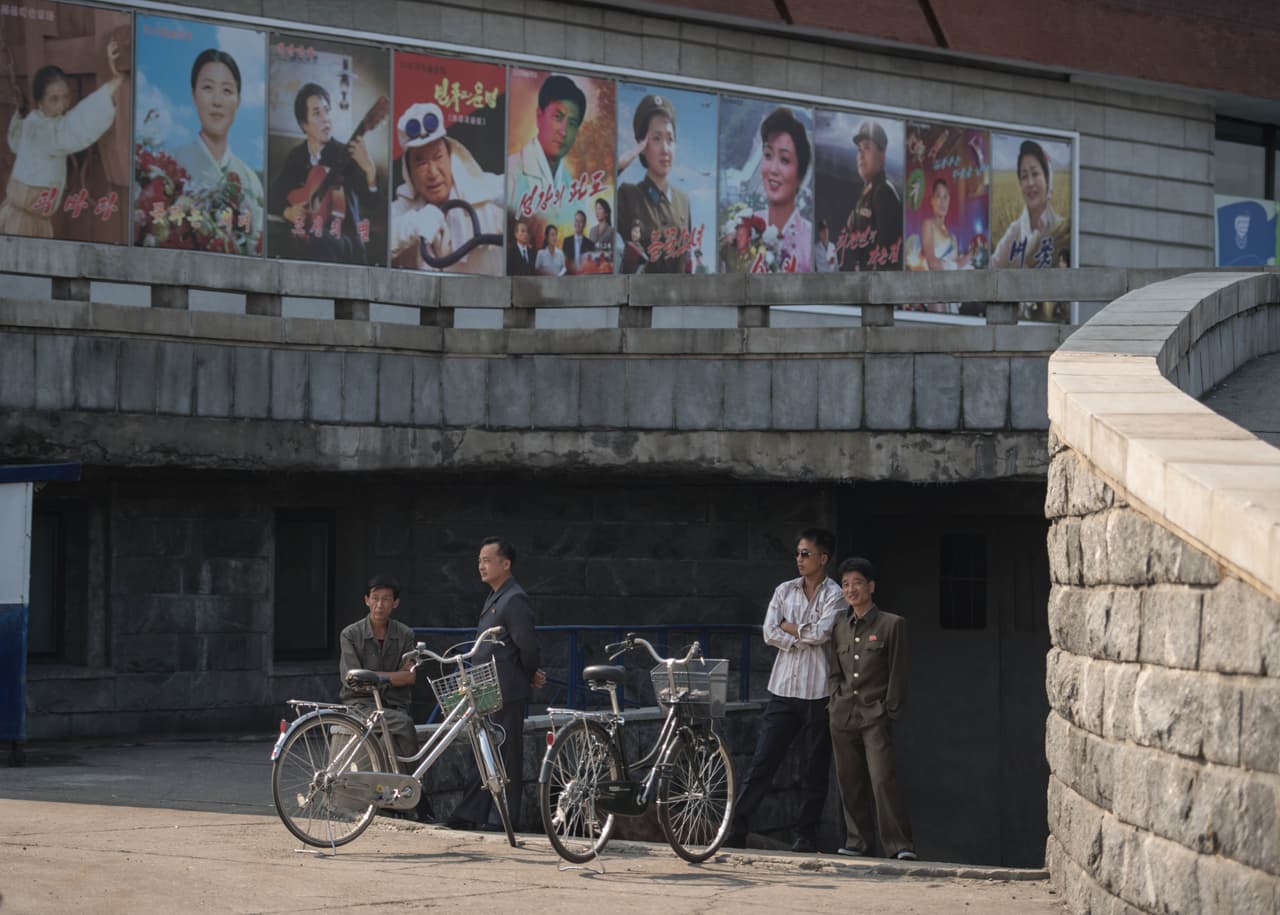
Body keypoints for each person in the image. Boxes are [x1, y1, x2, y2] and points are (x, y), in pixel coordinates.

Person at [727, 529, 844, 853]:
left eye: (806, 554)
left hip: (818, 691)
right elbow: (769, 631)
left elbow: (823, 634)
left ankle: (805, 835)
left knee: (814, 767)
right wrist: (795, 635)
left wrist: (789, 628)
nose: (799, 559)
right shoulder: (784, 590)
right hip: (783, 688)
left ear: (823, 558)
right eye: (797, 553)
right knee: (763, 761)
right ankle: (736, 828)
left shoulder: (834, 594)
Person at [447, 537, 544, 832]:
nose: (481, 565)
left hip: (506, 688)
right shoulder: (495, 596)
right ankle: (471, 813)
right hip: (486, 688)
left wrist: (530, 673)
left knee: (504, 756)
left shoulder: (514, 598)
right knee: (483, 751)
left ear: (506, 563)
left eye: (487, 560)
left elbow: (527, 646)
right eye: (479, 560)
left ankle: (501, 819)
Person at [827, 557, 916, 861]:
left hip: (875, 714)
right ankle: (857, 842)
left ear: (871, 587)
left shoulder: (892, 624)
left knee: (881, 779)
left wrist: (889, 709)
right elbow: (834, 671)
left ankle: (899, 845)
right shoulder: (839, 626)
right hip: (842, 714)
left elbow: (898, 672)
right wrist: (833, 702)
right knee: (849, 780)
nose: (851, 589)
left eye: (858, 583)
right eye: (846, 584)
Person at [0, 41, 125, 238]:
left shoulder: (33, 120)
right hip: (24, 225)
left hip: (21, 215)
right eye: (54, 99)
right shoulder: (45, 130)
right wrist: (114, 84)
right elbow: (70, 128)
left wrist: (19, 116)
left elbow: (15, 142)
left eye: (66, 97)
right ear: (40, 101)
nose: (62, 105)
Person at [390, 101, 504, 275]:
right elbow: (377, 241)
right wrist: (412, 226)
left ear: (450, 157)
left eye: (438, 157)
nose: (433, 172)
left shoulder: (488, 191)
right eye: (421, 162)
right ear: (409, 171)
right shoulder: (404, 209)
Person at [270, 82, 378, 264]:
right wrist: (288, 211)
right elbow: (274, 194)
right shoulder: (297, 156)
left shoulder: (346, 155)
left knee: (317, 238)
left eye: (327, 111)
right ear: (304, 124)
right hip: (309, 244)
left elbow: (371, 201)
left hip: (345, 242)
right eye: (317, 113)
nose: (326, 118)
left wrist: (369, 170)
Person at [171, 48, 264, 255]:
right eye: (207, 88)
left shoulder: (250, 180)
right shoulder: (170, 165)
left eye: (227, 91)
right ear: (194, 94)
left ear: (238, 101)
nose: (217, 101)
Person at [339, 575, 419, 763]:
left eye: (386, 599)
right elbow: (353, 679)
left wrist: (373, 676)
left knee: (389, 741)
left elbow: (410, 677)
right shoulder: (350, 634)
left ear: (395, 603)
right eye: (375, 598)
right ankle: (416, 785)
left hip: (394, 705)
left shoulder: (405, 634)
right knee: (404, 725)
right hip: (361, 706)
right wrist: (394, 677)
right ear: (366, 600)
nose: (379, 604)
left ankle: (391, 788)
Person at [616, 93, 692, 274]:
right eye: (656, 139)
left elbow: (686, 259)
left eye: (670, 139)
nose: (665, 149)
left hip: (676, 299)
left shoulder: (683, 200)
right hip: (640, 299)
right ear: (642, 145)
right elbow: (596, 188)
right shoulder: (628, 195)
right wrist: (630, 155)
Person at [507, 74, 585, 220]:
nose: (563, 131)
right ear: (539, 116)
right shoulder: (511, 172)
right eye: (558, 117)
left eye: (572, 124)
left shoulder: (574, 189)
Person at [754, 106, 811, 273]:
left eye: (784, 160)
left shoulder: (809, 240)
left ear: (800, 175)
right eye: (768, 155)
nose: (773, 169)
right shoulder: (747, 228)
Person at [841, 120, 903, 272]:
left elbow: (887, 258)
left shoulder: (884, 193)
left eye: (867, 148)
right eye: (859, 149)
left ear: (882, 155)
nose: (860, 155)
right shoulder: (867, 192)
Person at [991, 140, 1062, 269]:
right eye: (1024, 176)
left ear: (1047, 179)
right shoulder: (1014, 232)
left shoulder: (1061, 229)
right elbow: (990, 269)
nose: (1030, 183)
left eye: (1035, 174)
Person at [919, 177, 969, 272]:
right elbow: (932, 263)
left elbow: (957, 263)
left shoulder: (953, 238)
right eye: (938, 196)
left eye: (945, 197)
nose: (942, 202)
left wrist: (969, 257)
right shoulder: (928, 225)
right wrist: (958, 264)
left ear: (949, 200)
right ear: (932, 200)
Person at [561, 208, 595, 272]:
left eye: (580, 221)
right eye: (576, 221)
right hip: (569, 277)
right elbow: (563, 262)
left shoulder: (590, 244)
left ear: (584, 224)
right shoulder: (566, 241)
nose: (578, 224)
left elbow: (591, 265)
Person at [588, 197, 617, 265]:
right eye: (596, 208)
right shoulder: (592, 230)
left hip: (606, 267)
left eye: (600, 208)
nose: (597, 211)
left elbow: (613, 252)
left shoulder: (611, 231)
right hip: (593, 267)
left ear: (606, 213)